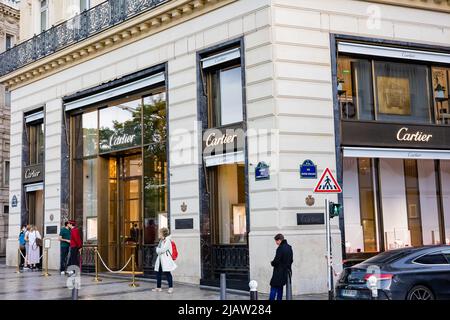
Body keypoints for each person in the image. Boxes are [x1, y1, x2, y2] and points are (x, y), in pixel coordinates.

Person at [152, 227, 177, 294]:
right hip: (160, 260)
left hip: (165, 260)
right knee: (158, 273)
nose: (159, 234)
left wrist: (158, 250)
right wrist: (159, 250)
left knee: (167, 273)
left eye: (160, 232)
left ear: (163, 233)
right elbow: (159, 250)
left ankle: (171, 288)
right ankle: (158, 287)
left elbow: (162, 250)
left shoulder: (167, 241)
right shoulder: (161, 241)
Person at [269, 233, 293, 301]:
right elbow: (291, 260)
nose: (276, 243)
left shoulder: (280, 248)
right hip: (285, 272)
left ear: (279, 240)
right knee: (280, 288)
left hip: (278, 272)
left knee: (273, 287)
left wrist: (272, 263)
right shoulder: (289, 247)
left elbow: (276, 261)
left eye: (276, 241)